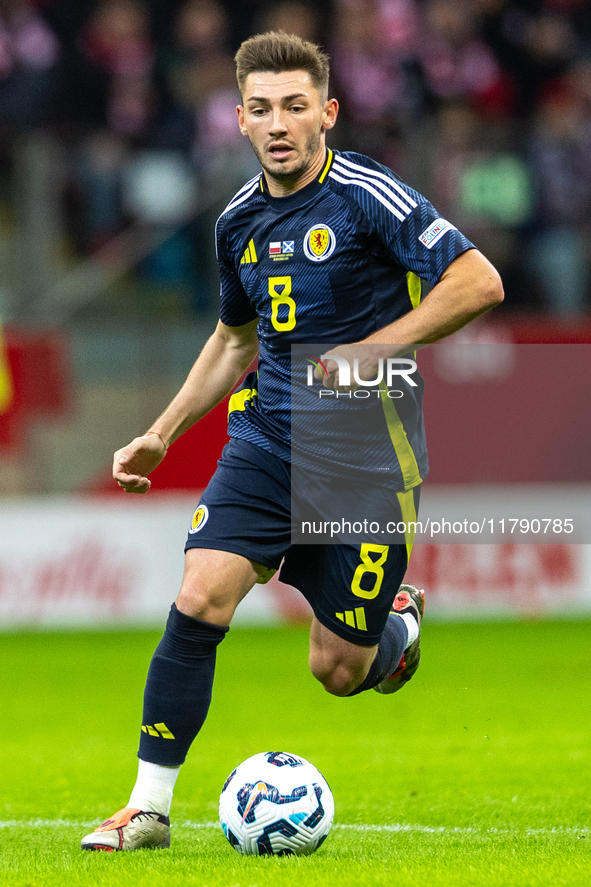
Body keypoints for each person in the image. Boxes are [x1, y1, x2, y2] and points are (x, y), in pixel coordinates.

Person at [81, 31, 503, 852]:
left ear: (327, 114)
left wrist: (380, 347)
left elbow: (476, 280)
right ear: (239, 119)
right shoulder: (237, 219)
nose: (279, 124)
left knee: (338, 671)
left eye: (296, 107)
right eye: (262, 109)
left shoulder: (366, 195)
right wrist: (161, 433)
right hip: (269, 434)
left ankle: (393, 628)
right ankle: (148, 807)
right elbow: (235, 338)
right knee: (200, 593)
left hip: (365, 457)